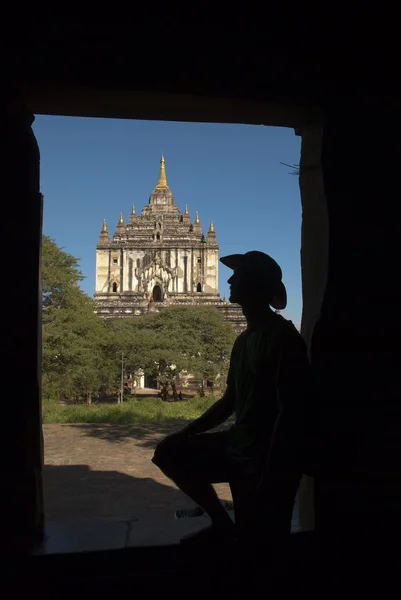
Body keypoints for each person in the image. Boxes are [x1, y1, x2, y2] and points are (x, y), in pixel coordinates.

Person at [152, 251, 310, 545]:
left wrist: (275, 469)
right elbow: (230, 401)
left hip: (267, 453)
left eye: (238, 276)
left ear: (254, 284)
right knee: (169, 452)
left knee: (262, 538)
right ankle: (222, 522)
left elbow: (291, 411)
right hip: (241, 442)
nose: (229, 280)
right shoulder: (244, 340)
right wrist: (186, 432)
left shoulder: (282, 337)